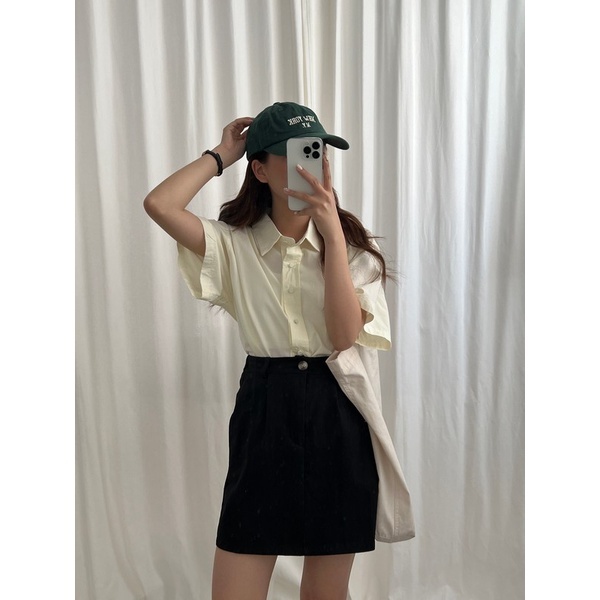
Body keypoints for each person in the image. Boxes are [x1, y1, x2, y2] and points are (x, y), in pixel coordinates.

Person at [144, 101, 414, 600]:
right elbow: (160, 205)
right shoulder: (233, 245)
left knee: (324, 595)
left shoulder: (355, 255)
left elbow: (343, 337)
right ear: (261, 170)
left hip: (337, 412)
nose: (310, 164)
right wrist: (221, 155)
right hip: (265, 408)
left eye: (316, 152)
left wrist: (332, 236)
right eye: (291, 155)